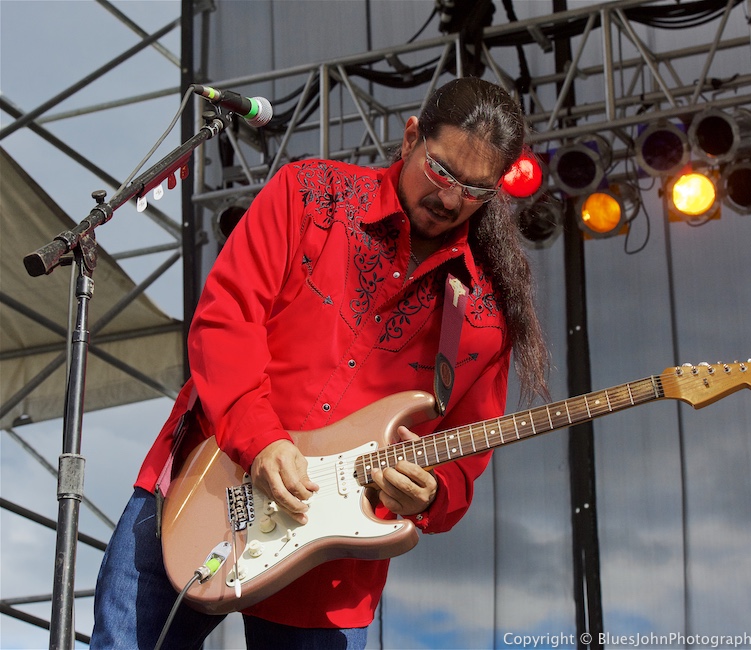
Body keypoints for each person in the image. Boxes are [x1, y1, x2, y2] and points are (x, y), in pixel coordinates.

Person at [90, 76, 549, 649]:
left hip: (331, 566)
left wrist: (429, 494)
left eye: (476, 190)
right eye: (442, 172)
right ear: (410, 138)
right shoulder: (311, 193)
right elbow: (226, 317)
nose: (452, 199)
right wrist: (260, 439)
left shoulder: (485, 312)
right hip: (203, 487)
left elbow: (467, 450)